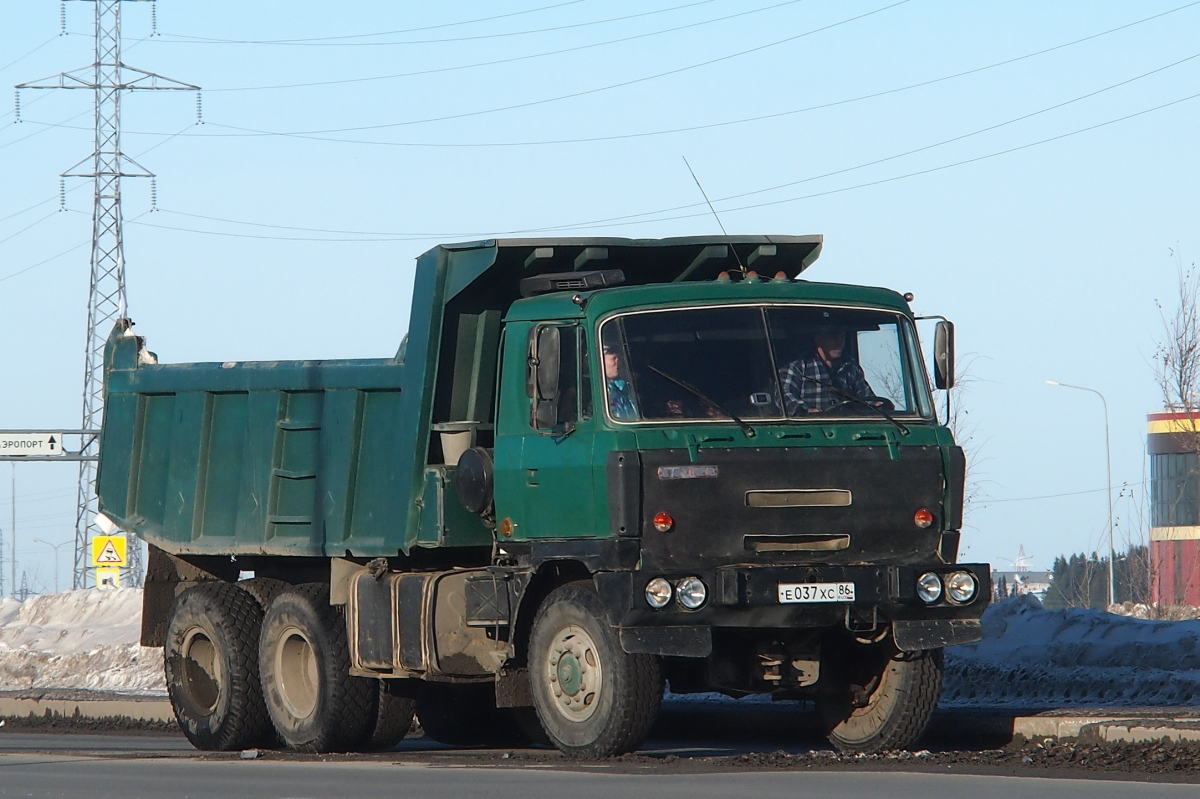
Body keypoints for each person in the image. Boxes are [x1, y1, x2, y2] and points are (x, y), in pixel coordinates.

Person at [779, 327, 880, 415]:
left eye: (842, 337)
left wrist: (876, 405)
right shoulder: (797, 366)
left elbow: (865, 395)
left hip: (848, 426)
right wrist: (807, 412)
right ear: (818, 338)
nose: (839, 342)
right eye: (833, 337)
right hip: (810, 429)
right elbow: (784, 397)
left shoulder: (850, 366)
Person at [603, 345, 639, 420]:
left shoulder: (624, 386)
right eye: (614, 359)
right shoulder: (590, 390)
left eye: (618, 359)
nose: (619, 363)